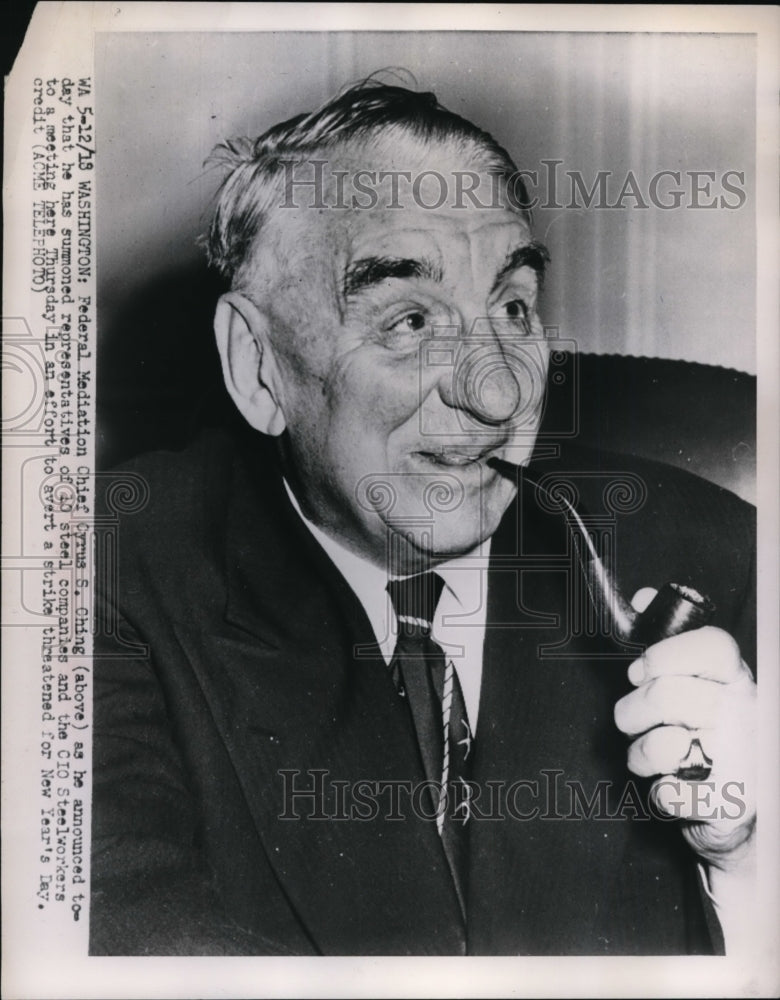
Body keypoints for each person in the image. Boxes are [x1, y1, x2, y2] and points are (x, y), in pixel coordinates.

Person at [90, 80, 756, 956]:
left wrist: (742, 855)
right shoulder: (108, 574)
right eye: (408, 319)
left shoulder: (716, 555)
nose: (499, 390)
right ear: (258, 369)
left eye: (513, 308)